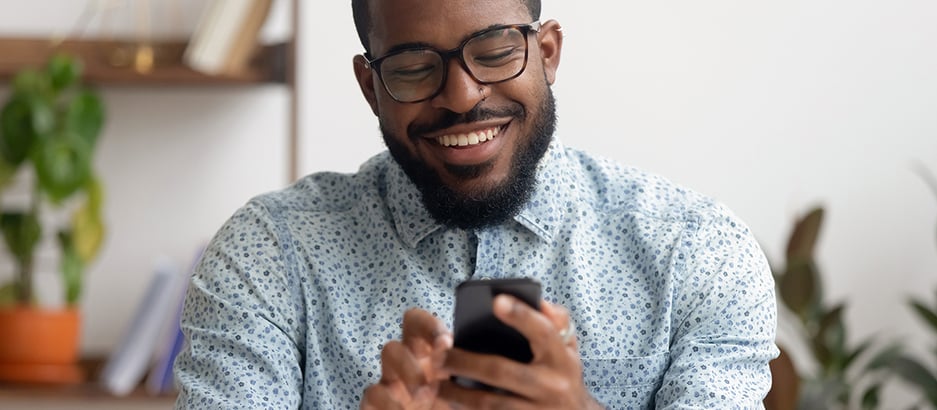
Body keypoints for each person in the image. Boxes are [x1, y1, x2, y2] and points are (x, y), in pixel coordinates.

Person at [173, 0, 779, 408]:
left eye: (493, 52)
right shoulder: (269, 254)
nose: (462, 97)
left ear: (547, 53)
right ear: (370, 87)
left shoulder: (699, 253)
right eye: (414, 68)